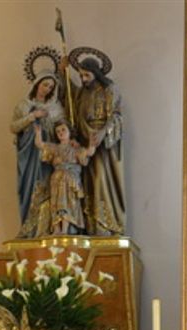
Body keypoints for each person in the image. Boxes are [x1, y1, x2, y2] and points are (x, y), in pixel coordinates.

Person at [61, 53, 125, 236]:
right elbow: (71, 102)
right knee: (87, 183)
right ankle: (90, 225)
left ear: (96, 73)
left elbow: (116, 115)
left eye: (87, 75)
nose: (83, 79)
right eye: (81, 75)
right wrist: (62, 73)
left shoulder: (109, 89)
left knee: (101, 180)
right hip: (84, 140)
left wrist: (104, 131)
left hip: (102, 142)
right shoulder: (82, 91)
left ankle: (104, 225)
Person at [10, 72, 64, 237]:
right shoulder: (23, 105)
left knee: (47, 186)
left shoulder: (56, 108)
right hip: (28, 154)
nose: (47, 89)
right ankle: (28, 228)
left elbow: (63, 128)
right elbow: (14, 127)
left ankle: (44, 228)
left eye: (51, 87)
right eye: (45, 84)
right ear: (37, 84)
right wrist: (33, 116)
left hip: (46, 156)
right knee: (28, 188)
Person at [34, 120, 95, 235]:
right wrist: (38, 133)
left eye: (63, 130)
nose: (61, 133)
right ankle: (56, 228)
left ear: (69, 132)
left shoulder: (75, 149)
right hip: (56, 180)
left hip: (69, 180)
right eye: (58, 131)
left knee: (67, 203)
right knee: (55, 203)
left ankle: (65, 229)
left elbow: (89, 152)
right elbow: (40, 144)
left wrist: (92, 143)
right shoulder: (55, 148)